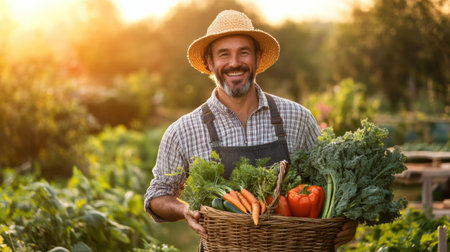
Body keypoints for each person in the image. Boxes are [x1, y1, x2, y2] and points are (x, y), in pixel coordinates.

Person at [144, 9, 358, 250]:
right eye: (224, 54)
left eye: (243, 53)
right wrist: (184, 209)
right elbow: (156, 197)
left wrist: (346, 219)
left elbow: (331, 181)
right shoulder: (183, 130)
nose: (235, 63)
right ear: (209, 62)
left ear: (257, 58)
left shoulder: (297, 118)